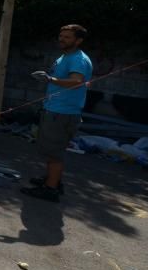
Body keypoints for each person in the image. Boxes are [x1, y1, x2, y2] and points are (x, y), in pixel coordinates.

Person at [20, 24, 93, 202]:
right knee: (51, 149)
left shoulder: (78, 59)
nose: (62, 39)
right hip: (55, 109)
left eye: (67, 37)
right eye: (61, 36)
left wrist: (50, 79)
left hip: (62, 113)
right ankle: (52, 180)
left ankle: (51, 189)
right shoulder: (66, 56)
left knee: (54, 154)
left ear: (78, 40)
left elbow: (76, 81)